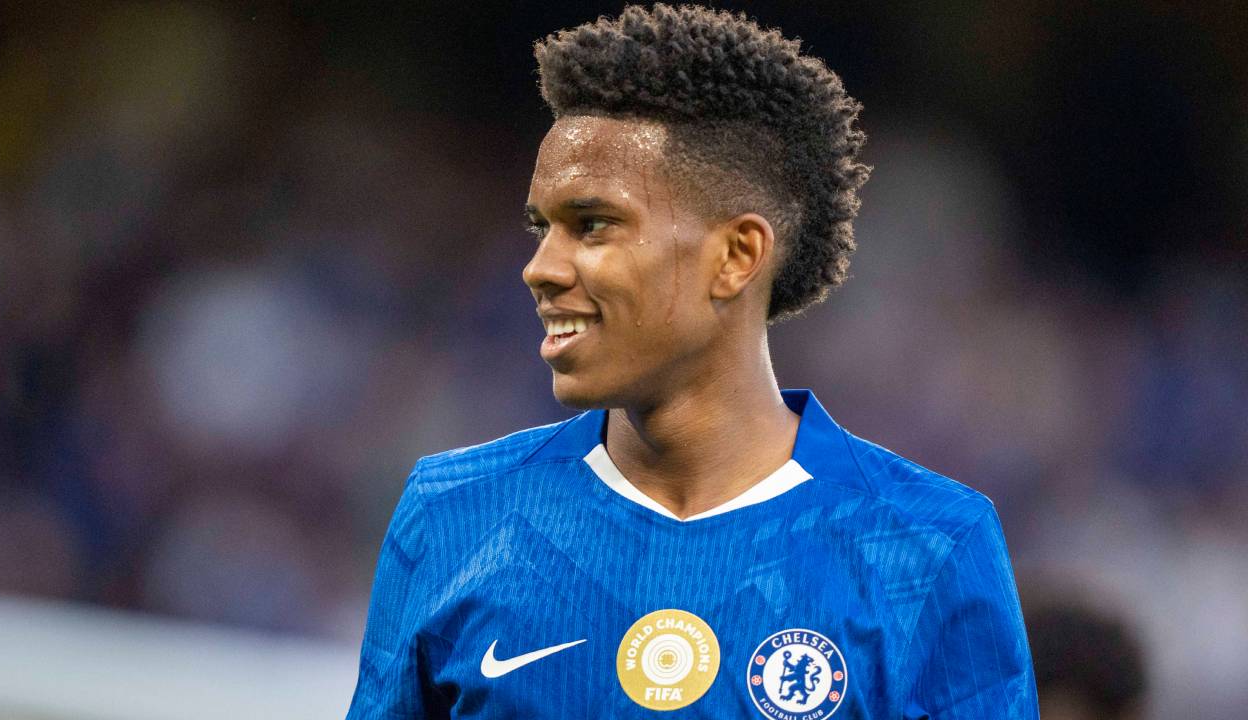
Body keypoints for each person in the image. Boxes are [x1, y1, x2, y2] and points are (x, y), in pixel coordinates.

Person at [346, 4, 1037, 718]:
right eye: (541, 228)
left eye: (593, 225)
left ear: (736, 255)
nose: (540, 268)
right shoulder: (453, 512)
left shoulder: (927, 546)